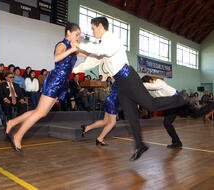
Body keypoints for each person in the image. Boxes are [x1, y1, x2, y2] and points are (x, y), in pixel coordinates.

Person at [73, 17, 190, 161]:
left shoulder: (112, 39)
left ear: (100, 26)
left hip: (128, 77)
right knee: (130, 116)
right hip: (121, 83)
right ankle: (140, 145)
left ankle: (181, 98)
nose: (92, 31)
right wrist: (74, 70)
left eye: (93, 28)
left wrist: (80, 45)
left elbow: (102, 50)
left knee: (150, 105)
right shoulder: (101, 45)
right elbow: (90, 62)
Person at [5, 23, 83, 151]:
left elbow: (87, 54)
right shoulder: (62, 45)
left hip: (62, 83)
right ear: (68, 32)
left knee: (41, 112)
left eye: (79, 35)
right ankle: (18, 135)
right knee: (40, 113)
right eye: (77, 34)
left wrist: (100, 54)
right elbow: (56, 58)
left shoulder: (74, 48)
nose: (78, 37)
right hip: (55, 80)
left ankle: (12, 122)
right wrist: (72, 50)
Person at [142, 76, 183, 148]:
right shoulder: (153, 88)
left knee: (167, 123)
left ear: (151, 81)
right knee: (167, 123)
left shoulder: (159, 81)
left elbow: (153, 86)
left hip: (176, 100)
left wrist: (140, 84)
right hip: (169, 104)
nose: (149, 86)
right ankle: (176, 142)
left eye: (148, 83)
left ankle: (177, 142)